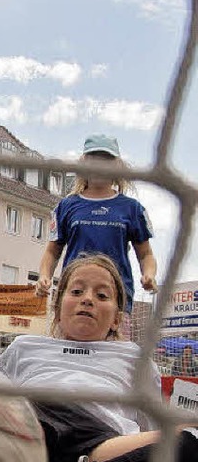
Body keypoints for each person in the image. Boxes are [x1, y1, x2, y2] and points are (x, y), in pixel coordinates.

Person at [0, 253, 197, 462]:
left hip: (100, 448)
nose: (87, 299)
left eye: (102, 296)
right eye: (77, 291)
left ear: (116, 318)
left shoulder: (135, 357)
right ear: (58, 307)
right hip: (31, 428)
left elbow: (151, 429)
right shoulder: (23, 347)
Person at [36, 135, 157, 325]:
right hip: (74, 296)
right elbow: (52, 251)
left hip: (116, 298)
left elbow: (145, 254)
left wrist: (149, 274)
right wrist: (44, 276)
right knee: (68, 352)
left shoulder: (132, 209)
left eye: (106, 160)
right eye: (94, 159)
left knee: (114, 353)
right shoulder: (66, 206)